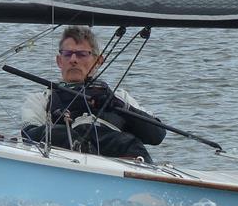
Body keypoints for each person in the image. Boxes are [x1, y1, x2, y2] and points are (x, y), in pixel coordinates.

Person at [20, 26, 165, 163]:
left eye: (82, 54)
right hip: (64, 163)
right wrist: (60, 122)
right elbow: (28, 136)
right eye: (67, 54)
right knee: (61, 134)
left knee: (130, 143)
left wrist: (118, 106)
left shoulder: (120, 97)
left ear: (98, 61)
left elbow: (157, 135)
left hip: (116, 166)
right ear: (59, 61)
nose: (73, 60)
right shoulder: (41, 99)